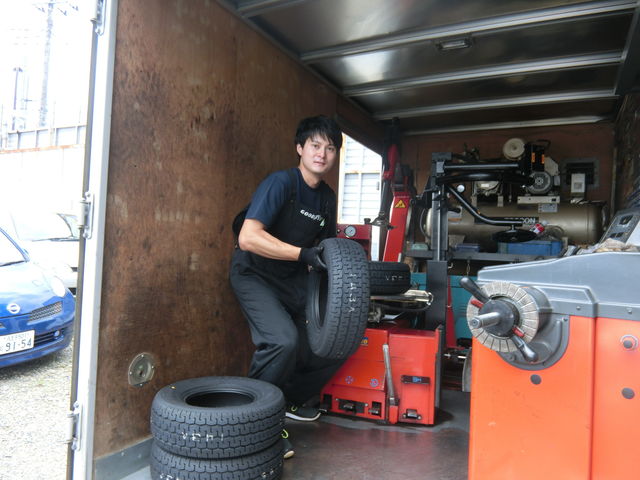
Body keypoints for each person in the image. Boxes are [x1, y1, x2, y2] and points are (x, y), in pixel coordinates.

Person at [229, 115, 344, 459]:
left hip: (293, 279)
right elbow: (248, 238)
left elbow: (326, 249)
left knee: (334, 341)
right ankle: (253, 423)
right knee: (282, 341)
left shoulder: (327, 198)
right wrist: (302, 254)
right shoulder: (280, 183)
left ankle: (286, 401)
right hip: (254, 274)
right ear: (300, 148)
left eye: (330, 148)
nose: (322, 154)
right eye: (315, 145)